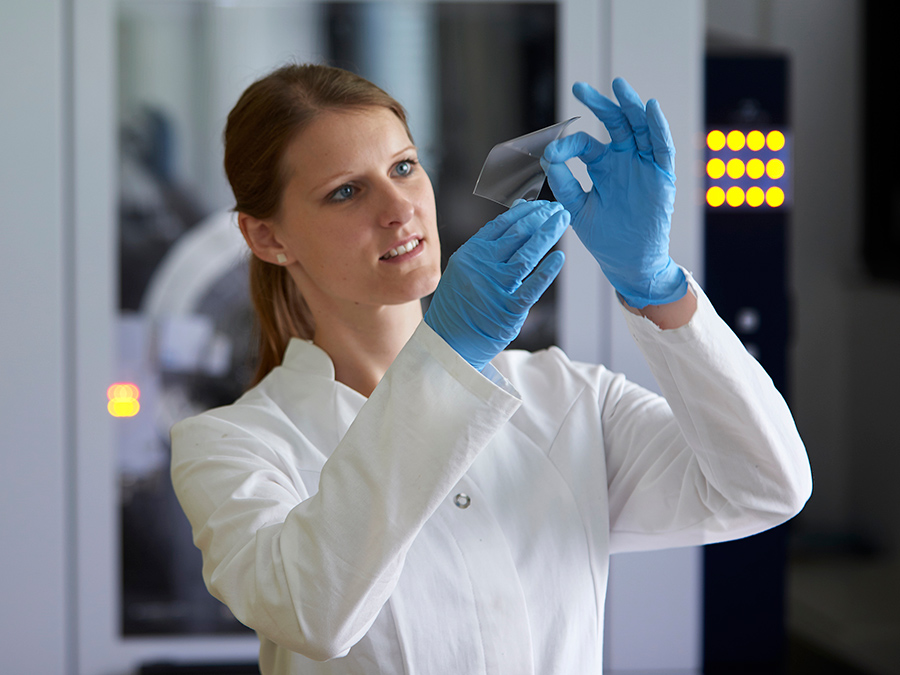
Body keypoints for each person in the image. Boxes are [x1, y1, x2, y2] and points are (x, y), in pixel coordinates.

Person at [170, 63, 811, 675]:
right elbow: (314, 614)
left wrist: (657, 288)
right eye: (345, 191)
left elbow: (765, 487)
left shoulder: (565, 398)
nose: (400, 209)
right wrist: (446, 356)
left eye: (404, 167)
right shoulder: (231, 447)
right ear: (267, 238)